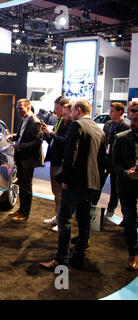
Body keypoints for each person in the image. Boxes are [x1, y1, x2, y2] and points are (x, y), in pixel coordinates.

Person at [40, 100, 106, 270]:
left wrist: (66, 180)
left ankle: (61, 259)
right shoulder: (99, 130)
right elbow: (101, 162)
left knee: (63, 219)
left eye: (73, 111)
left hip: (75, 183)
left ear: (78, 110)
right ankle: (78, 256)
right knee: (84, 221)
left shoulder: (77, 126)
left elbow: (71, 156)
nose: (70, 114)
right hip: (92, 183)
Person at [112, 104, 138, 271]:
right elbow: (115, 164)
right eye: (133, 119)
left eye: (137, 120)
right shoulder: (121, 138)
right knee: (129, 221)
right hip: (127, 185)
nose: (134, 122)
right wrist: (126, 172)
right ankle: (133, 253)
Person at [10, 98, 43, 222]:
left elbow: (37, 142)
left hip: (28, 160)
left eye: (21, 108)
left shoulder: (35, 122)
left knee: (26, 187)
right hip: (21, 158)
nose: (18, 111)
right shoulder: (24, 119)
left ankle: (25, 213)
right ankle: (21, 209)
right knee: (21, 185)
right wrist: (14, 137)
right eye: (17, 108)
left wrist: (20, 146)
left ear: (28, 107)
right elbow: (22, 136)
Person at [41, 97, 71, 231]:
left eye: (59, 109)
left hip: (61, 162)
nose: (57, 112)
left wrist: (52, 133)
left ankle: (62, 219)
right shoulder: (59, 121)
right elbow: (54, 142)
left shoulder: (70, 125)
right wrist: (47, 134)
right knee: (56, 192)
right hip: (54, 160)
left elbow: (65, 143)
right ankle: (57, 215)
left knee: (61, 193)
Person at [100, 102, 130, 216]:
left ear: (119, 112)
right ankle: (92, 204)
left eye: (112, 111)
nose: (110, 112)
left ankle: (111, 208)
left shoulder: (125, 126)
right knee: (99, 182)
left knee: (114, 185)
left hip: (116, 160)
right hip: (105, 158)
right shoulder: (107, 124)